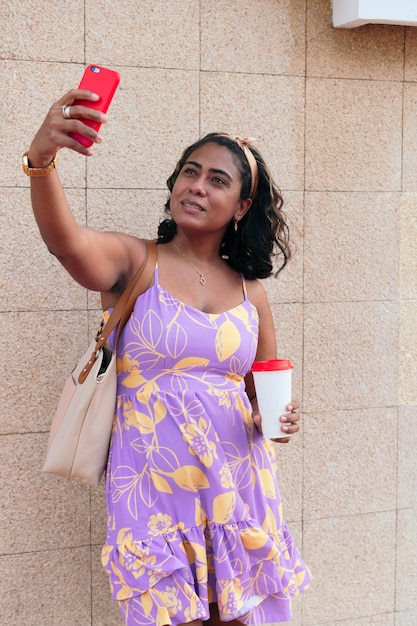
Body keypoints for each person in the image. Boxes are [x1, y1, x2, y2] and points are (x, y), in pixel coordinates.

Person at [24, 85, 311, 626]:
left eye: (217, 180)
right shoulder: (136, 262)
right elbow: (66, 244)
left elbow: (264, 397)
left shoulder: (252, 291)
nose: (196, 186)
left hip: (238, 487)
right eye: (189, 172)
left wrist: (281, 419)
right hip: (152, 490)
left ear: (242, 206)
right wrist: (41, 163)